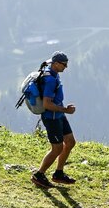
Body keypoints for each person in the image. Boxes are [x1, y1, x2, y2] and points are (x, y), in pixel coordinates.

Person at [30, 51, 77, 188]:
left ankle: (58, 174)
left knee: (70, 142)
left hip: (59, 115)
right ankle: (39, 175)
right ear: (56, 64)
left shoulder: (53, 73)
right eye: (64, 64)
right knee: (57, 148)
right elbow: (47, 104)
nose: (66, 67)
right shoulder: (50, 80)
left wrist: (63, 111)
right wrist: (66, 110)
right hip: (52, 117)